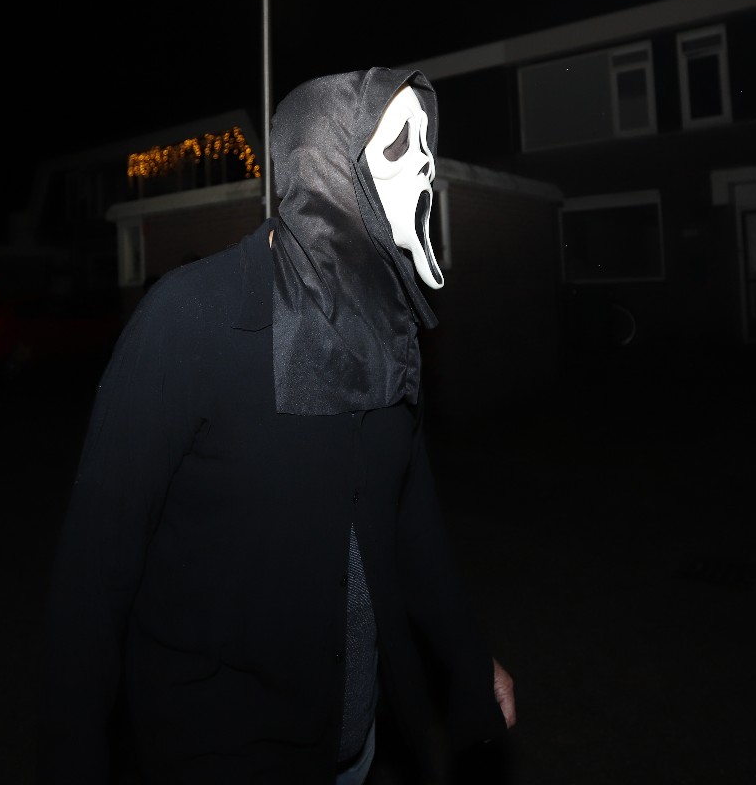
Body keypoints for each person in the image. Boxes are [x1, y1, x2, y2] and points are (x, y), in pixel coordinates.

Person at [38, 67, 515, 784]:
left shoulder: (391, 327)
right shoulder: (190, 318)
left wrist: (469, 657)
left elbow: (410, 519)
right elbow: (95, 570)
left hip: (354, 740)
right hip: (217, 746)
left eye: (427, 143)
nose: (425, 164)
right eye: (397, 144)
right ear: (326, 164)